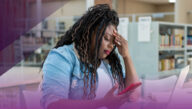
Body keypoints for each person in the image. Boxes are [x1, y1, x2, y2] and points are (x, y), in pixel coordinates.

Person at [40, 4, 140, 109]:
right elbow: (53, 104)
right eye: (106, 38)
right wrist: (103, 102)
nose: (111, 45)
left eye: (113, 41)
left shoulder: (108, 63)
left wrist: (126, 56)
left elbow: (134, 95)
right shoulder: (62, 57)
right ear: (90, 32)